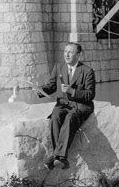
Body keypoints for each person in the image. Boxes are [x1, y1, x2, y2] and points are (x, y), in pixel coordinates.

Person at [38, 42, 95, 170]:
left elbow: (90, 94)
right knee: (55, 116)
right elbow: (51, 86)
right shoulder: (59, 67)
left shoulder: (87, 71)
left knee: (71, 117)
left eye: (71, 52)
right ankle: (61, 158)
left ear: (78, 55)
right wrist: (40, 90)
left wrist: (72, 91)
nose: (67, 54)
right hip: (63, 103)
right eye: (65, 52)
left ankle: (57, 157)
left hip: (81, 105)